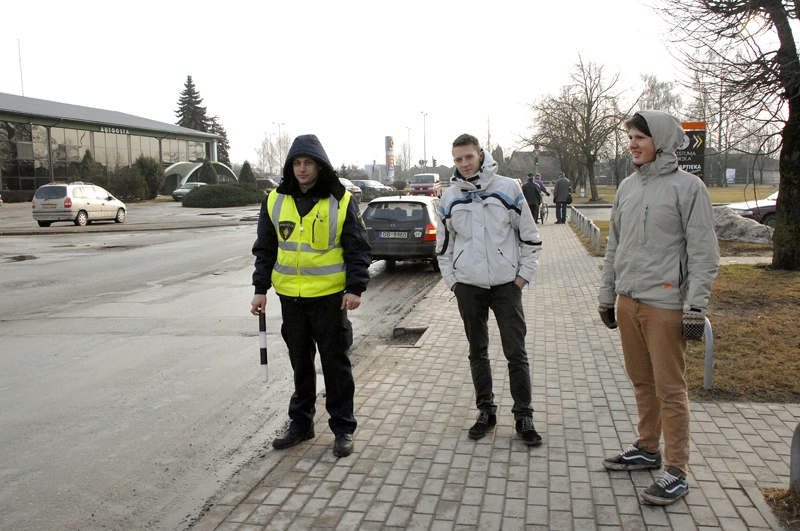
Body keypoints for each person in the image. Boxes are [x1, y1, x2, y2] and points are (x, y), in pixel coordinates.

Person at [598, 110, 719, 505]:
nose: (632, 143)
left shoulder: (689, 188)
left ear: (662, 142)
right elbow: (614, 245)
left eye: (640, 137)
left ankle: (677, 470)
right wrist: (607, 295)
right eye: (630, 137)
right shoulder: (627, 187)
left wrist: (695, 308)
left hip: (666, 306)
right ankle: (648, 447)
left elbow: (704, 252)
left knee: (670, 389)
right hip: (628, 302)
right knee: (641, 381)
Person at [250, 134, 371, 458]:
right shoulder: (275, 200)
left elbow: (357, 247)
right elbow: (265, 248)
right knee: (300, 366)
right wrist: (260, 290)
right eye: (297, 163)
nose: (302, 169)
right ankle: (301, 424)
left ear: (319, 165)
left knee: (335, 367)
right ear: (291, 166)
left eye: (308, 163)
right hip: (291, 300)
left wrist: (355, 288)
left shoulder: (340, 200)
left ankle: (343, 428)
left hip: (330, 300)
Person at [436, 133, 543, 446]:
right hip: (468, 287)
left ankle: (524, 416)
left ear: (480, 155)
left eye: (469, 157)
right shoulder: (449, 196)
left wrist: (522, 277)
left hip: (506, 287)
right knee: (477, 353)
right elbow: (444, 246)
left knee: (516, 353)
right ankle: (486, 411)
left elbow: (531, 238)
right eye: (458, 159)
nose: (464, 164)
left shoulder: (508, 188)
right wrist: (452, 281)